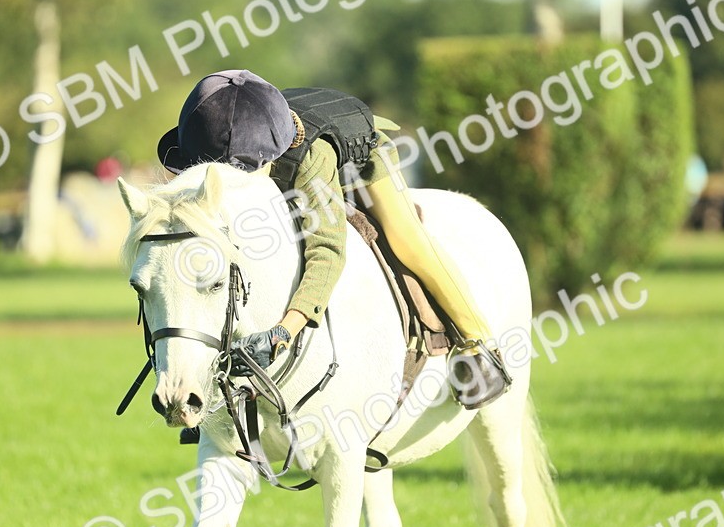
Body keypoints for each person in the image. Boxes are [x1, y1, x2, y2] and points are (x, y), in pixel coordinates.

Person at [156, 69, 510, 409]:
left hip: (362, 159)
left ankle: (478, 341)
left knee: (407, 240)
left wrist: (283, 332)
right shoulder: (206, 149)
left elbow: (328, 249)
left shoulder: (311, 157)